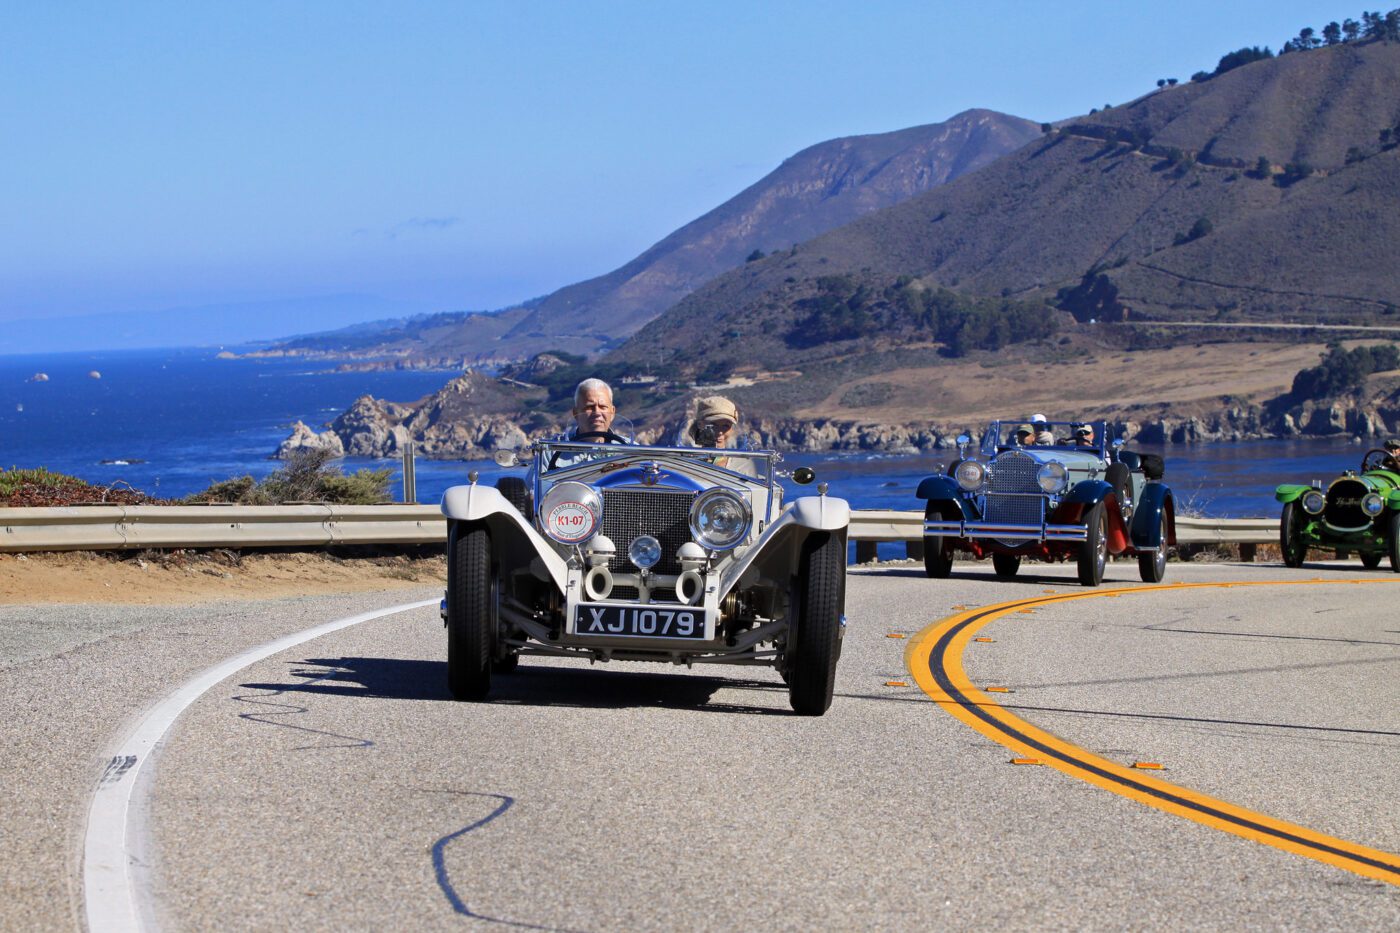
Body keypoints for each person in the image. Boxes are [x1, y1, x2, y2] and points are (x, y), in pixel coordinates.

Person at [688, 395, 756, 475]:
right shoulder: (686, 464)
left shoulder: (744, 465)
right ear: (700, 425)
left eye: (726, 426)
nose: (720, 432)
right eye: (713, 425)